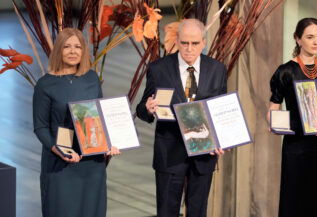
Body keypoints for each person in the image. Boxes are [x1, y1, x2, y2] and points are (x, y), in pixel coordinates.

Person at [136, 19, 227, 217]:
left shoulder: (217, 69)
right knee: (167, 211)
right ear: (177, 41)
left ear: (203, 42)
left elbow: (220, 112)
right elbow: (142, 110)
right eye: (184, 43)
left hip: (203, 154)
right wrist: (148, 108)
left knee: (198, 211)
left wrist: (221, 139)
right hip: (170, 152)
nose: (189, 49)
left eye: (195, 43)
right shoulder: (158, 69)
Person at [33, 28, 120, 217]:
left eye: (78, 47)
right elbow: (40, 127)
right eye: (67, 46)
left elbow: (100, 117)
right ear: (58, 50)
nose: (73, 51)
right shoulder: (45, 85)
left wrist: (109, 143)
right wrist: (59, 150)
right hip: (61, 164)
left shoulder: (91, 78)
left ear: (83, 51)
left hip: (92, 164)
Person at [268, 17, 317, 217]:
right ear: (298, 39)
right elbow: (274, 107)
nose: (316, 42)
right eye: (310, 37)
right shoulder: (285, 72)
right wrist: (274, 123)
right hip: (296, 146)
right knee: (295, 200)